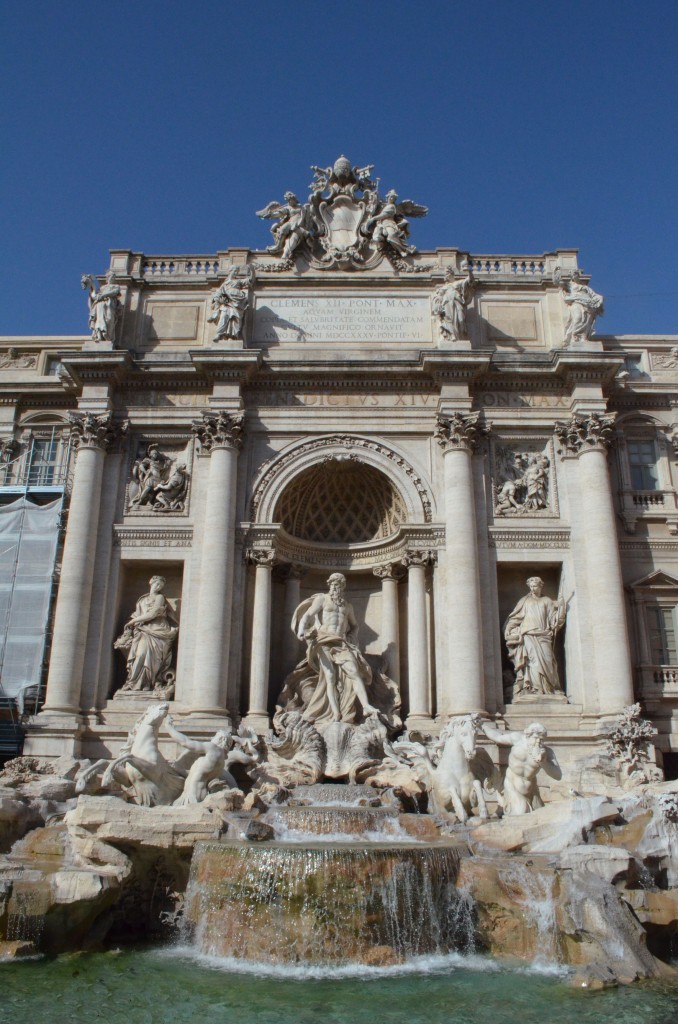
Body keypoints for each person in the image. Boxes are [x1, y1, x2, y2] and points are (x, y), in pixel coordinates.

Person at [292, 573, 379, 725]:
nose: (334, 586)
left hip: (341, 642)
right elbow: (308, 615)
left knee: (354, 672)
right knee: (330, 676)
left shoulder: (347, 606)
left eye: (337, 584)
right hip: (323, 640)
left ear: (342, 587)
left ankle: (366, 706)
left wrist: (352, 637)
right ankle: (336, 713)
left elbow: (355, 625)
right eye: (332, 584)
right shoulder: (322, 600)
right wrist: (301, 630)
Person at [481, 721, 562, 815]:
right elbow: (497, 737)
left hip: (531, 789)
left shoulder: (547, 752)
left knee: (539, 816)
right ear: (528, 735)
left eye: (542, 739)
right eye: (536, 738)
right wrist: (481, 725)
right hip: (512, 783)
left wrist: (543, 763)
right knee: (520, 813)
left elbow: (558, 776)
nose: (538, 742)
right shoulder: (517, 739)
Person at [504, 577, 566, 697]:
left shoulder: (547, 601)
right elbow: (516, 617)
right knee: (533, 662)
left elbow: (554, 621)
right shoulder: (525, 601)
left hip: (544, 636)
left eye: (535, 586)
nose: (533, 588)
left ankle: (549, 689)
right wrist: (508, 628)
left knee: (548, 661)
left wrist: (561, 608)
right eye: (531, 586)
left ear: (541, 586)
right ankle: (534, 689)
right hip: (528, 635)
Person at [115, 576, 178, 691]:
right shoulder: (142, 600)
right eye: (157, 584)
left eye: (161, 586)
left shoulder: (160, 597)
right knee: (140, 655)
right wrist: (132, 623)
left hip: (158, 630)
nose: (158, 587)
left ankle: (148, 684)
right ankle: (133, 683)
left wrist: (134, 621)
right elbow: (137, 614)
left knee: (153, 660)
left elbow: (153, 614)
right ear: (151, 582)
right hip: (143, 630)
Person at [560, 271, 604, 345]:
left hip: (587, 304)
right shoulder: (570, 285)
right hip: (576, 302)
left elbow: (594, 295)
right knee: (578, 318)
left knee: (586, 320)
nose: (574, 276)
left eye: (575, 274)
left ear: (578, 276)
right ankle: (575, 336)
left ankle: (583, 337)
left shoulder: (585, 287)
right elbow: (558, 282)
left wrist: (599, 298)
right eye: (573, 275)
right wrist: (557, 274)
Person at [431, 268, 475, 341]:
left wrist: (470, 272)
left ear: (452, 274)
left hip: (457, 304)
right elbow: (437, 298)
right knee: (448, 319)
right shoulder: (443, 287)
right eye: (445, 274)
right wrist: (437, 306)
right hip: (447, 304)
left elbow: (468, 280)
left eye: (447, 274)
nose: (446, 276)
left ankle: (460, 336)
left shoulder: (457, 283)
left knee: (460, 319)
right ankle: (452, 335)